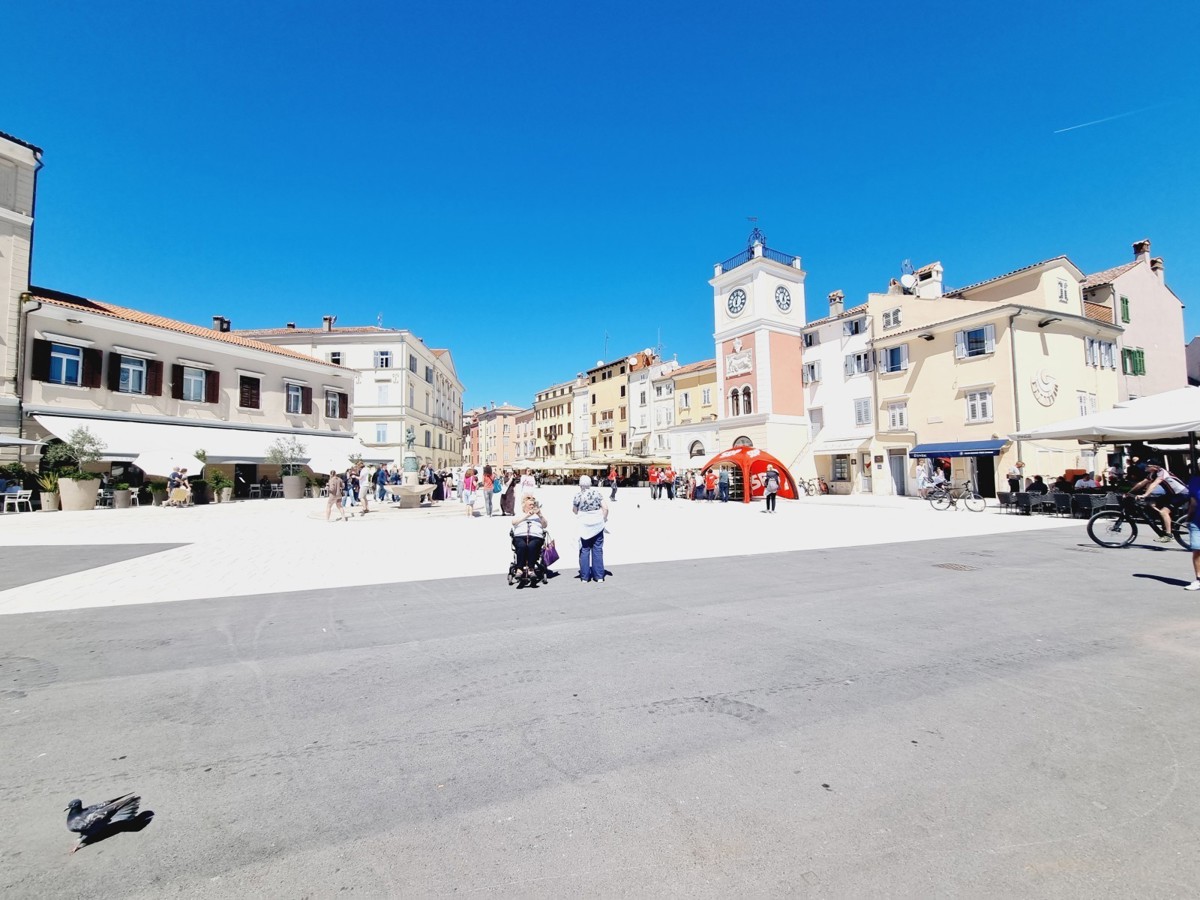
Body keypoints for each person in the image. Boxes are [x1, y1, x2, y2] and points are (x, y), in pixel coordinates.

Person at [1130, 460, 1188, 543]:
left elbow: (1154, 484)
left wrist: (1145, 495)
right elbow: (1141, 483)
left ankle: (1169, 536)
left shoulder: (1162, 472)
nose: (1146, 467)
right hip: (1172, 494)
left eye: (1148, 465)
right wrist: (1129, 492)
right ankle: (1166, 524)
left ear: (1155, 467)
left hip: (1181, 494)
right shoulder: (1153, 474)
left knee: (1164, 512)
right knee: (1151, 503)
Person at [572, 474, 609, 583]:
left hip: (584, 525)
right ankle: (599, 576)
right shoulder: (597, 493)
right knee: (597, 549)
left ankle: (585, 577)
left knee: (584, 549)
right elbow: (606, 508)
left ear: (580, 484)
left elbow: (574, 510)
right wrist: (603, 519)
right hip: (597, 524)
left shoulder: (578, 495)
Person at [512, 494, 548, 583]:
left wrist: (540, 514)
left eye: (533, 505)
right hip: (520, 536)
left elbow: (545, 525)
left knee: (532, 546)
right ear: (524, 506)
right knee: (522, 546)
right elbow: (514, 522)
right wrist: (526, 516)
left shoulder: (537, 516)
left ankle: (531, 569)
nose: (532, 506)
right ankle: (519, 569)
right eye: (530, 505)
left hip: (535, 536)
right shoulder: (520, 514)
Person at [1184, 470, 1200, 591]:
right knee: (1197, 549)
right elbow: (1193, 502)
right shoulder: (1194, 481)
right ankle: (1198, 579)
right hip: (1197, 521)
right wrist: (1189, 518)